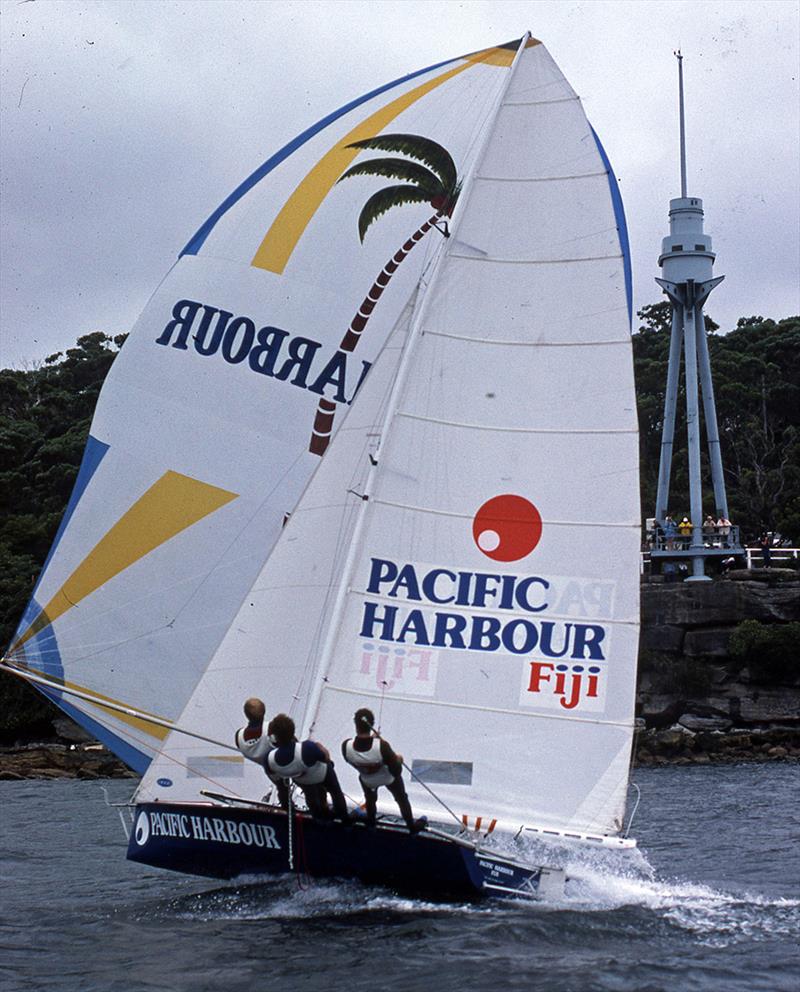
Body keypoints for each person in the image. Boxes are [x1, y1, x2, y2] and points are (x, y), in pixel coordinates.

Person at [342, 708, 426, 833]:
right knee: (401, 798)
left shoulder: (346, 746)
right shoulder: (382, 746)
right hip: (388, 778)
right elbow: (396, 770)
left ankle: (371, 823)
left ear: (355, 724)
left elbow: (354, 758)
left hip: (367, 780)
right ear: (372, 724)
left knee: (370, 799)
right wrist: (399, 760)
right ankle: (411, 826)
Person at [266, 713, 350, 822]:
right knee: (335, 791)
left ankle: (319, 819)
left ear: (274, 737)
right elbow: (325, 758)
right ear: (292, 732)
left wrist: (286, 804)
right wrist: (320, 747)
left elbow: (279, 782)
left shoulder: (270, 759)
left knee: (310, 795)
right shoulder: (307, 747)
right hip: (321, 775)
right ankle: (344, 819)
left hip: (302, 780)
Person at [234, 697, 287, 808]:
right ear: (264, 712)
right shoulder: (271, 728)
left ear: (245, 714)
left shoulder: (238, 735)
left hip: (267, 766)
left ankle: (286, 805)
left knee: (281, 786)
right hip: (279, 762)